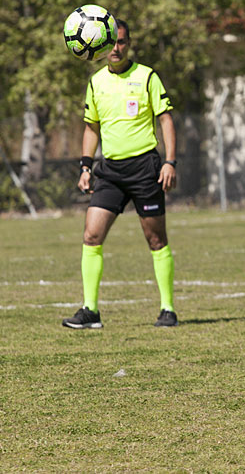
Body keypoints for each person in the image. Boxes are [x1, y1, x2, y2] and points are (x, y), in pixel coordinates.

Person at [62, 19, 179, 329]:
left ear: (129, 44)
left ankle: (167, 309)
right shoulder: (96, 81)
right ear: (102, 44)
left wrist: (170, 162)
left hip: (145, 170)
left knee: (156, 239)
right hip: (110, 171)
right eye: (112, 42)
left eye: (123, 42)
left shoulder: (147, 77)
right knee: (91, 235)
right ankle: (90, 311)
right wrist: (86, 167)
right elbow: (91, 127)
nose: (116, 48)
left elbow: (166, 120)